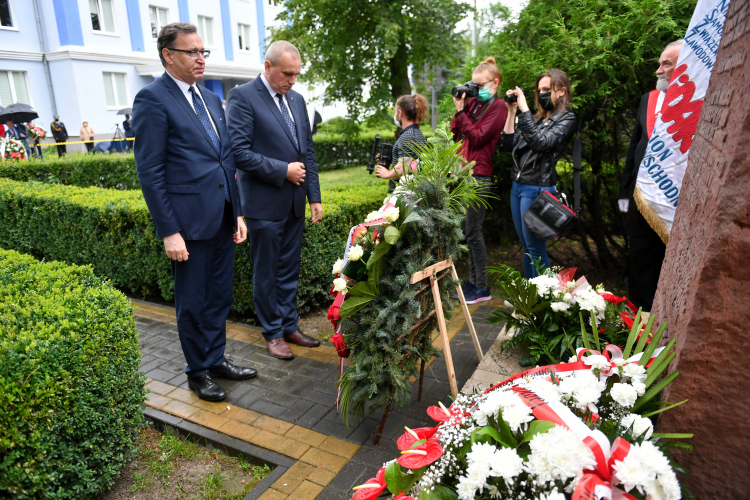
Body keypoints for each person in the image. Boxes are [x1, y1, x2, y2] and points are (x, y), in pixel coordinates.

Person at [132, 22, 256, 402]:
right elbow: (150, 171)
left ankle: (216, 359)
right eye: (192, 52)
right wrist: (169, 230)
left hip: (220, 216)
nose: (201, 59)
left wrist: (236, 212)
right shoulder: (152, 99)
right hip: (187, 225)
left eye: (204, 52)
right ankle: (197, 371)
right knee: (193, 302)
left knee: (219, 296)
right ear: (168, 55)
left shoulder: (208, 97)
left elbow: (226, 159)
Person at [226, 41, 323, 360]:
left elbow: (306, 150)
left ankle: (288, 325)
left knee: (288, 269)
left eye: (296, 74)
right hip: (264, 205)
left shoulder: (296, 99)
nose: (293, 80)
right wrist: (282, 171)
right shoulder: (242, 97)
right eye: (287, 73)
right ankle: (272, 333)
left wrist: (313, 196)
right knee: (267, 272)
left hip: (295, 202)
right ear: (268, 67)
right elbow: (238, 152)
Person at [618, 40, 683, 311]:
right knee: (641, 264)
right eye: (659, 64)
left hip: (675, 201)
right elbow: (634, 149)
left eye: (665, 64)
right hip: (640, 198)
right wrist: (624, 198)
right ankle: (638, 324)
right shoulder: (649, 99)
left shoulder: (699, 101)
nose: (658, 71)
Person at [501, 68, 578, 279]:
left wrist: (524, 109)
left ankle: (543, 302)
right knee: (526, 245)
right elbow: (507, 145)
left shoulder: (567, 118)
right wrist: (511, 111)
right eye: (539, 90)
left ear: (561, 91)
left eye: (547, 89)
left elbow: (541, 143)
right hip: (518, 186)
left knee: (535, 248)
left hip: (537, 188)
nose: (541, 93)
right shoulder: (535, 119)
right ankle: (530, 300)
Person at [451, 57, 508, 303]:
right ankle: (473, 281)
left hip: (479, 175)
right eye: (473, 86)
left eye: (480, 85)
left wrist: (463, 115)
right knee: (467, 230)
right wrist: (460, 108)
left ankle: (482, 287)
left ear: (494, 84)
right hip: (465, 174)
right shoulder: (472, 104)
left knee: (474, 232)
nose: (476, 90)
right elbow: (456, 131)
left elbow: (477, 138)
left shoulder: (499, 107)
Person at [375, 94, 428, 192]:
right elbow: (411, 160)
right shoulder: (416, 133)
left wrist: (387, 173)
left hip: (402, 197)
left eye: (395, 112)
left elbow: (402, 169)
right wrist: (392, 158)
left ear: (400, 113)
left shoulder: (408, 136)